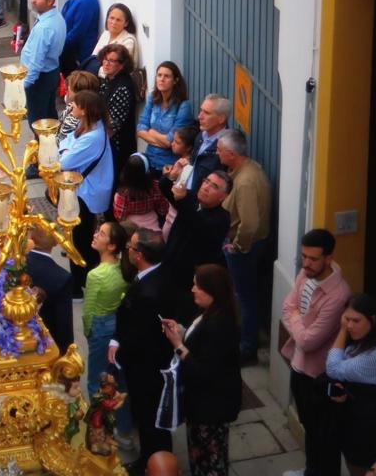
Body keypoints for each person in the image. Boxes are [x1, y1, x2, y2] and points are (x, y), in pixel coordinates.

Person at [281, 228, 352, 476]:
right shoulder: (306, 273)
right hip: (298, 364)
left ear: (329, 258)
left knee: (324, 435)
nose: (306, 264)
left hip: (318, 374)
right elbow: (287, 306)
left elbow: (310, 341)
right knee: (310, 427)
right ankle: (311, 470)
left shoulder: (338, 294)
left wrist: (295, 320)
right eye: (304, 256)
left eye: (313, 259)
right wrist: (297, 320)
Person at [160, 264, 243, 476]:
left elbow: (203, 371)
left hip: (211, 407)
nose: (192, 289)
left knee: (210, 461)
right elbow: (198, 339)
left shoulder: (220, 324)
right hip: (204, 404)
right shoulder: (212, 312)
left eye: (197, 286)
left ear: (212, 290)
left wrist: (178, 345)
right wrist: (179, 329)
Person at [109, 229, 175, 472]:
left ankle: (155, 463)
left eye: (131, 246)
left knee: (150, 420)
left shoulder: (149, 292)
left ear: (139, 255)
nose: (127, 248)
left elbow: (138, 335)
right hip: (150, 362)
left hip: (147, 368)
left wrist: (120, 354)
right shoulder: (153, 275)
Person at [325, 294, 376, 476]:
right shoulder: (365, 340)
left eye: (356, 321)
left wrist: (341, 331)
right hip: (355, 421)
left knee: (360, 469)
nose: (349, 326)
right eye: (347, 320)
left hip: (368, 429)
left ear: (373, 320)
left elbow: (332, 367)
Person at [217, 130, 271, 363]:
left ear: (230, 154)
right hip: (254, 245)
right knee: (249, 295)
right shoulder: (249, 170)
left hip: (245, 248)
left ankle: (247, 347)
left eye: (219, 150)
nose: (216, 153)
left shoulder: (245, 181)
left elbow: (249, 223)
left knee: (245, 297)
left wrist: (237, 246)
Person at [59, 90, 115, 294]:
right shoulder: (88, 127)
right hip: (84, 190)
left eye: (75, 104)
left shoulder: (92, 136)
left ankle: (79, 284)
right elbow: (66, 142)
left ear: (84, 110)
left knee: (80, 240)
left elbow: (65, 160)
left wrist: (65, 151)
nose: (71, 106)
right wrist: (66, 149)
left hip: (87, 194)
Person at [158, 169, 231, 309]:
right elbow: (165, 188)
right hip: (168, 268)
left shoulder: (222, 218)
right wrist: (171, 176)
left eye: (214, 186)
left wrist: (183, 200)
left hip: (189, 283)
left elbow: (199, 225)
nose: (206, 187)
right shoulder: (192, 200)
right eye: (206, 181)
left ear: (223, 197)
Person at [83, 220, 130, 412]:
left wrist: (88, 332)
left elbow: (88, 312)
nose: (95, 235)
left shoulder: (95, 275)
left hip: (100, 327)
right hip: (116, 324)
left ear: (111, 245)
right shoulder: (123, 268)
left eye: (101, 233)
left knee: (96, 379)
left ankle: (99, 424)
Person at [21, 0, 67, 124]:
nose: (33, 0)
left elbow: (36, 62)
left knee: (37, 123)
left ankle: (43, 146)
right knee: (49, 116)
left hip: (39, 79)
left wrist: (24, 85)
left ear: (50, 1)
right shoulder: (57, 17)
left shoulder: (44, 28)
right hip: (51, 73)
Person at [26, 225, 74, 351]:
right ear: (56, 243)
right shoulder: (62, 277)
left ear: (31, 237)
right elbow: (63, 324)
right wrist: (66, 353)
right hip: (43, 342)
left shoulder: (16, 262)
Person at [138, 62, 193, 171]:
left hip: (169, 163)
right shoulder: (152, 98)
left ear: (175, 80)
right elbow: (140, 129)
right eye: (159, 75)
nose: (161, 79)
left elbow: (171, 141)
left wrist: (151, 132)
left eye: (166, 76)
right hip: (150, 158)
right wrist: (162, 140)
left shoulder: (183, 106)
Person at [97, 43, 138, 175]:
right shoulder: (109, 80)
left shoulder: (123, 87)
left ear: (122, 65)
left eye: (112, 61)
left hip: (117, 147)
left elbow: (113, 125)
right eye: (105, 59)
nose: (106, 63)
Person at [59, 0, 101, 74]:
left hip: (77, 55)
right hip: (67, 48)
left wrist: (58, 45)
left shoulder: (88, 1)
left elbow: (78, 32)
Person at [112, 153, 168, 234]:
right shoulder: (156, 186)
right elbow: (163, 209)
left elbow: (120, 217)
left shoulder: (122, 194)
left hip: (131, 230)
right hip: (153, 227)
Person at [188, 94, 231, 193]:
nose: (199, 117)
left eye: (206, 113)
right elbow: (193, 164)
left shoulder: (225, 148)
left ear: (221, 119)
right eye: (201, 110)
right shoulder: (201, 135)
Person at [89, 2, 140, 70]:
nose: (113, 22)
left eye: (118, 20)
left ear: (126, 23)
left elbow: (118, 69)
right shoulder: (105, 34)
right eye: (111, 18)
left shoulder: (128, 41)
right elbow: (94, 56)